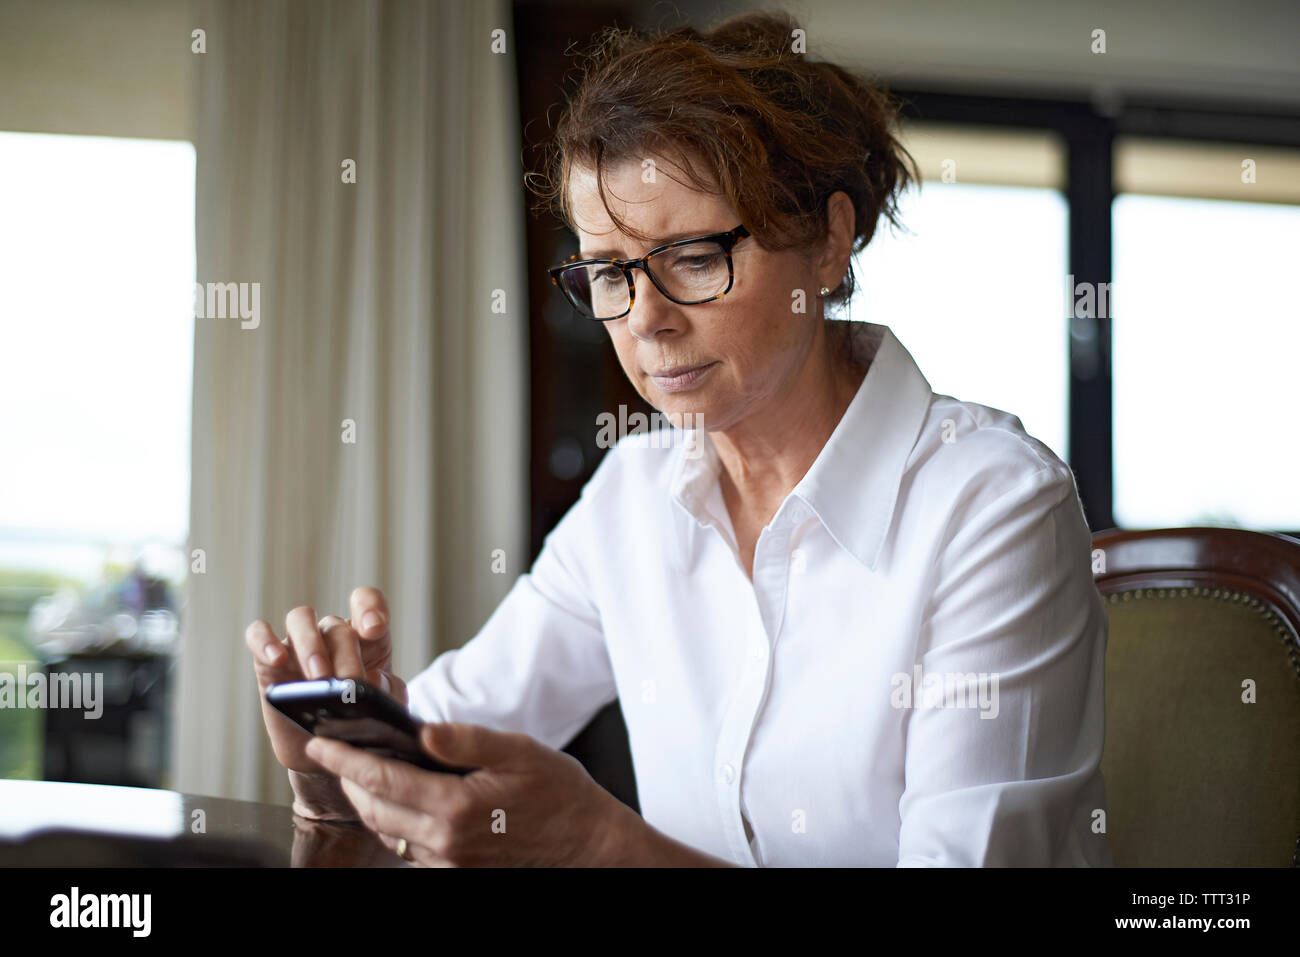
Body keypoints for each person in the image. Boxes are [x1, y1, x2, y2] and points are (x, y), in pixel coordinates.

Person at [246, 10, 1111, 867]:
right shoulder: (635, 491)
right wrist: (340, 751)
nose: (646, 321)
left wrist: (603, 846)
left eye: (694, 257)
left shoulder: (992, 507)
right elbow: (453, 737)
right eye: (609, 271)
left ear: (828, 241)